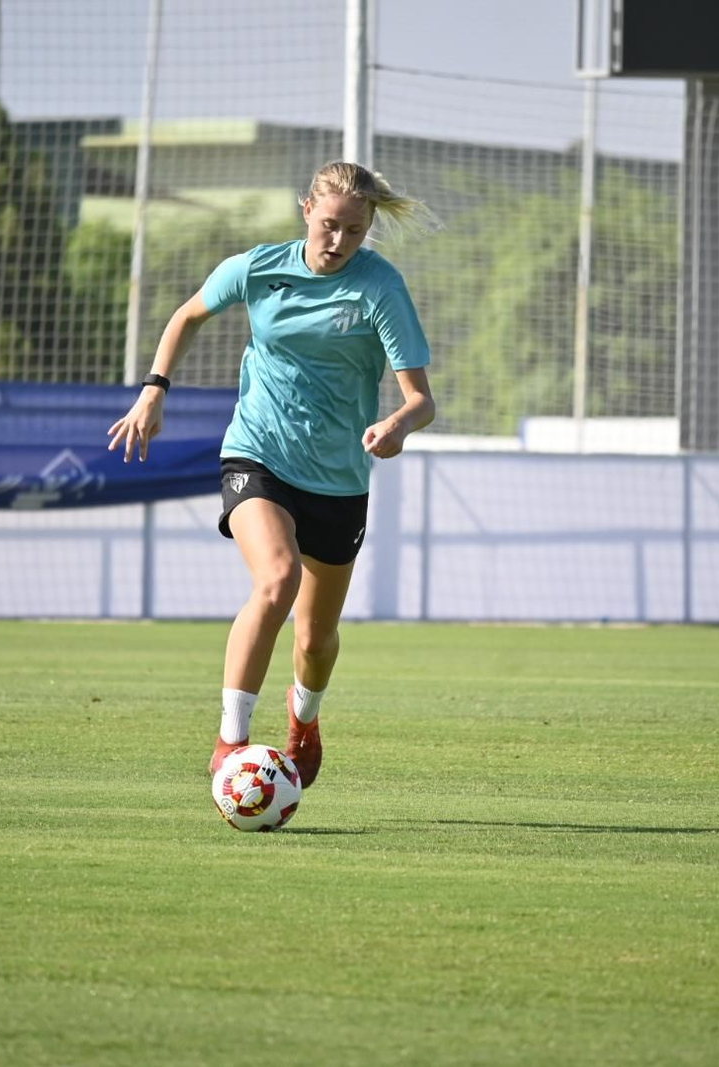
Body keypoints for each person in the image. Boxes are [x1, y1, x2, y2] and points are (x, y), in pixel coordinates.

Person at [108, 160, 437, 789]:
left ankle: (303, 717)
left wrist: (396, 426)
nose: (339, 241)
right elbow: (187, 316)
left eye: (355, 231)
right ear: (305, 209)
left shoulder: (380, 287)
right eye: (330, 225)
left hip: (339, 477)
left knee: (316, 638)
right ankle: (231, 741)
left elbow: (421, 399)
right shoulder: (258, 268)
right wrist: (154, 389)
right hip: (257, 452)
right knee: (277, 577)